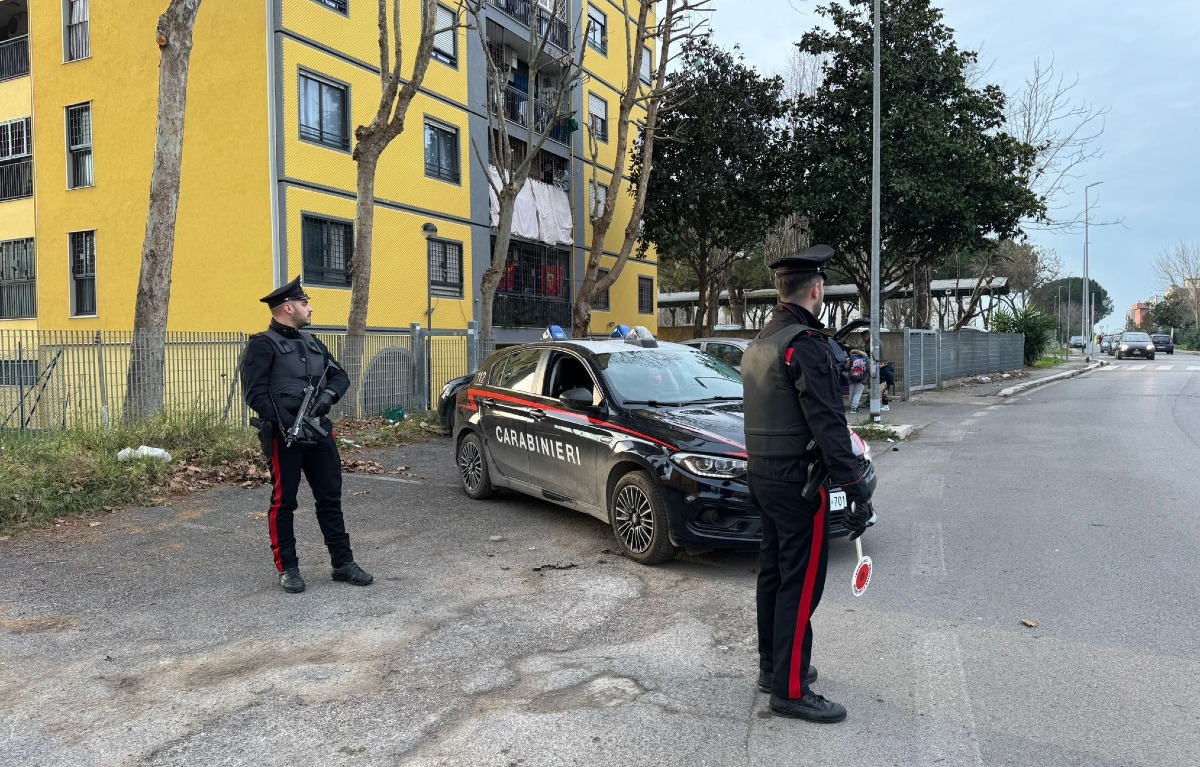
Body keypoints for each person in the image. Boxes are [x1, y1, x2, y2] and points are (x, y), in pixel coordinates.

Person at [740, 244, 874, 723]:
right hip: (798, 482)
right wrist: (857, 483)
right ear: (816, 290)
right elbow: (829, 426)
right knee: (800, 584)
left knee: (774, 573)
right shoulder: (806, 344)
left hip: (762, 474)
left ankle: (773, 667)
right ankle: (790, 690)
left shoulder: (761, 342)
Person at [240, 275, 373, 594]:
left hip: (319, 433)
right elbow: (255, 393)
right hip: (284, 436)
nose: (309, 309)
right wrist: (287, 424)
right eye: (304, 303)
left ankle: (342, 564)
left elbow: (340, 376)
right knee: (283, 501)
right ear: (287, 308)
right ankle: (288, 568)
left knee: (330, 498)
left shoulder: (313, 343)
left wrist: (328, 397)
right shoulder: (262, 344)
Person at [846, 348, 869, 414]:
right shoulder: (866, 358)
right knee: (857, 394)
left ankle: (853, 407)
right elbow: (869, 369)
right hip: (862, 379)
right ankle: (854, 408)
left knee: (851, 394)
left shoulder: (851, 358)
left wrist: (848, 362)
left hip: (851, 378)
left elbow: (847, 368)